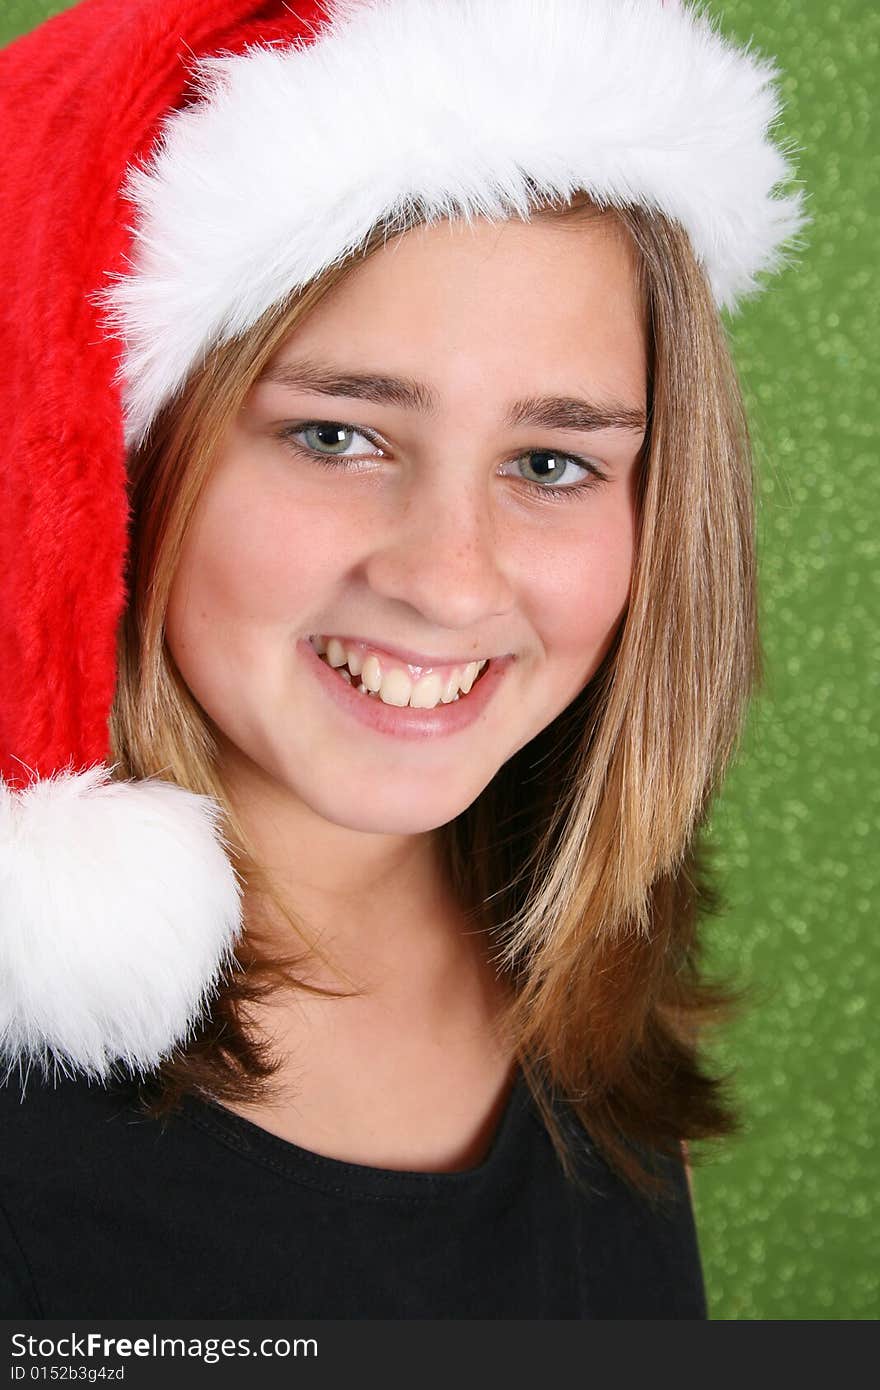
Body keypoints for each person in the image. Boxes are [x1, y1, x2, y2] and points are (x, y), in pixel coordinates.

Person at [0, 0, 808, 1318]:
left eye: (552, 464)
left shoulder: (568, 951)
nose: (446, 577)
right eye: (337, 435)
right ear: (116, 454)